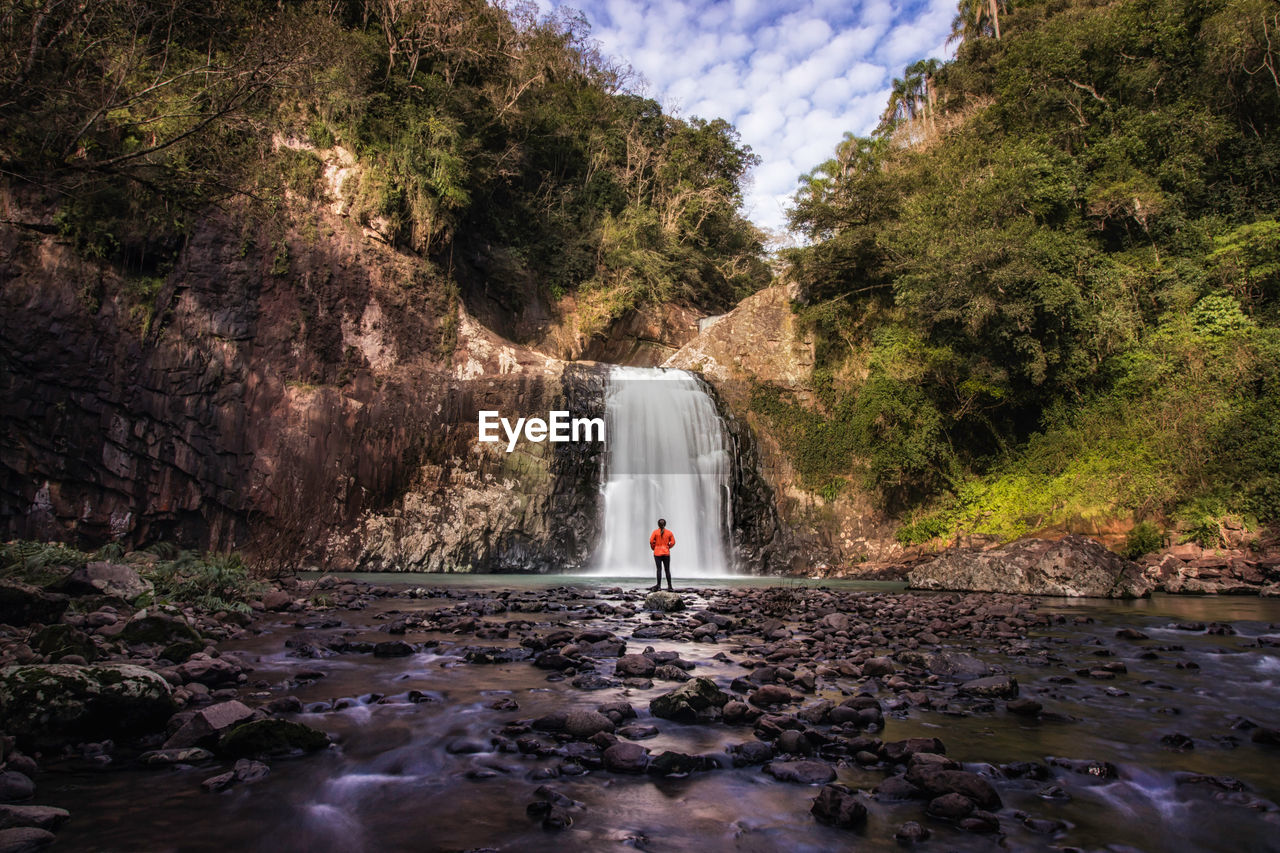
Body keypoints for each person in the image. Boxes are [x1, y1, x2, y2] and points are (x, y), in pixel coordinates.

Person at [649, 518, 675, 591]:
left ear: (658, 524)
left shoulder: (655, 532)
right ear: (665, 524)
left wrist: (654, 547)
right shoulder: (669, 533)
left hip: (657, 552)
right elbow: (673, 542)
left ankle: (659, 586)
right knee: (667, 570)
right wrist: (668, 547)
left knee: (659, 569)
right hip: (666, 552)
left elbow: (651, 541)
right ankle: (669, 586)